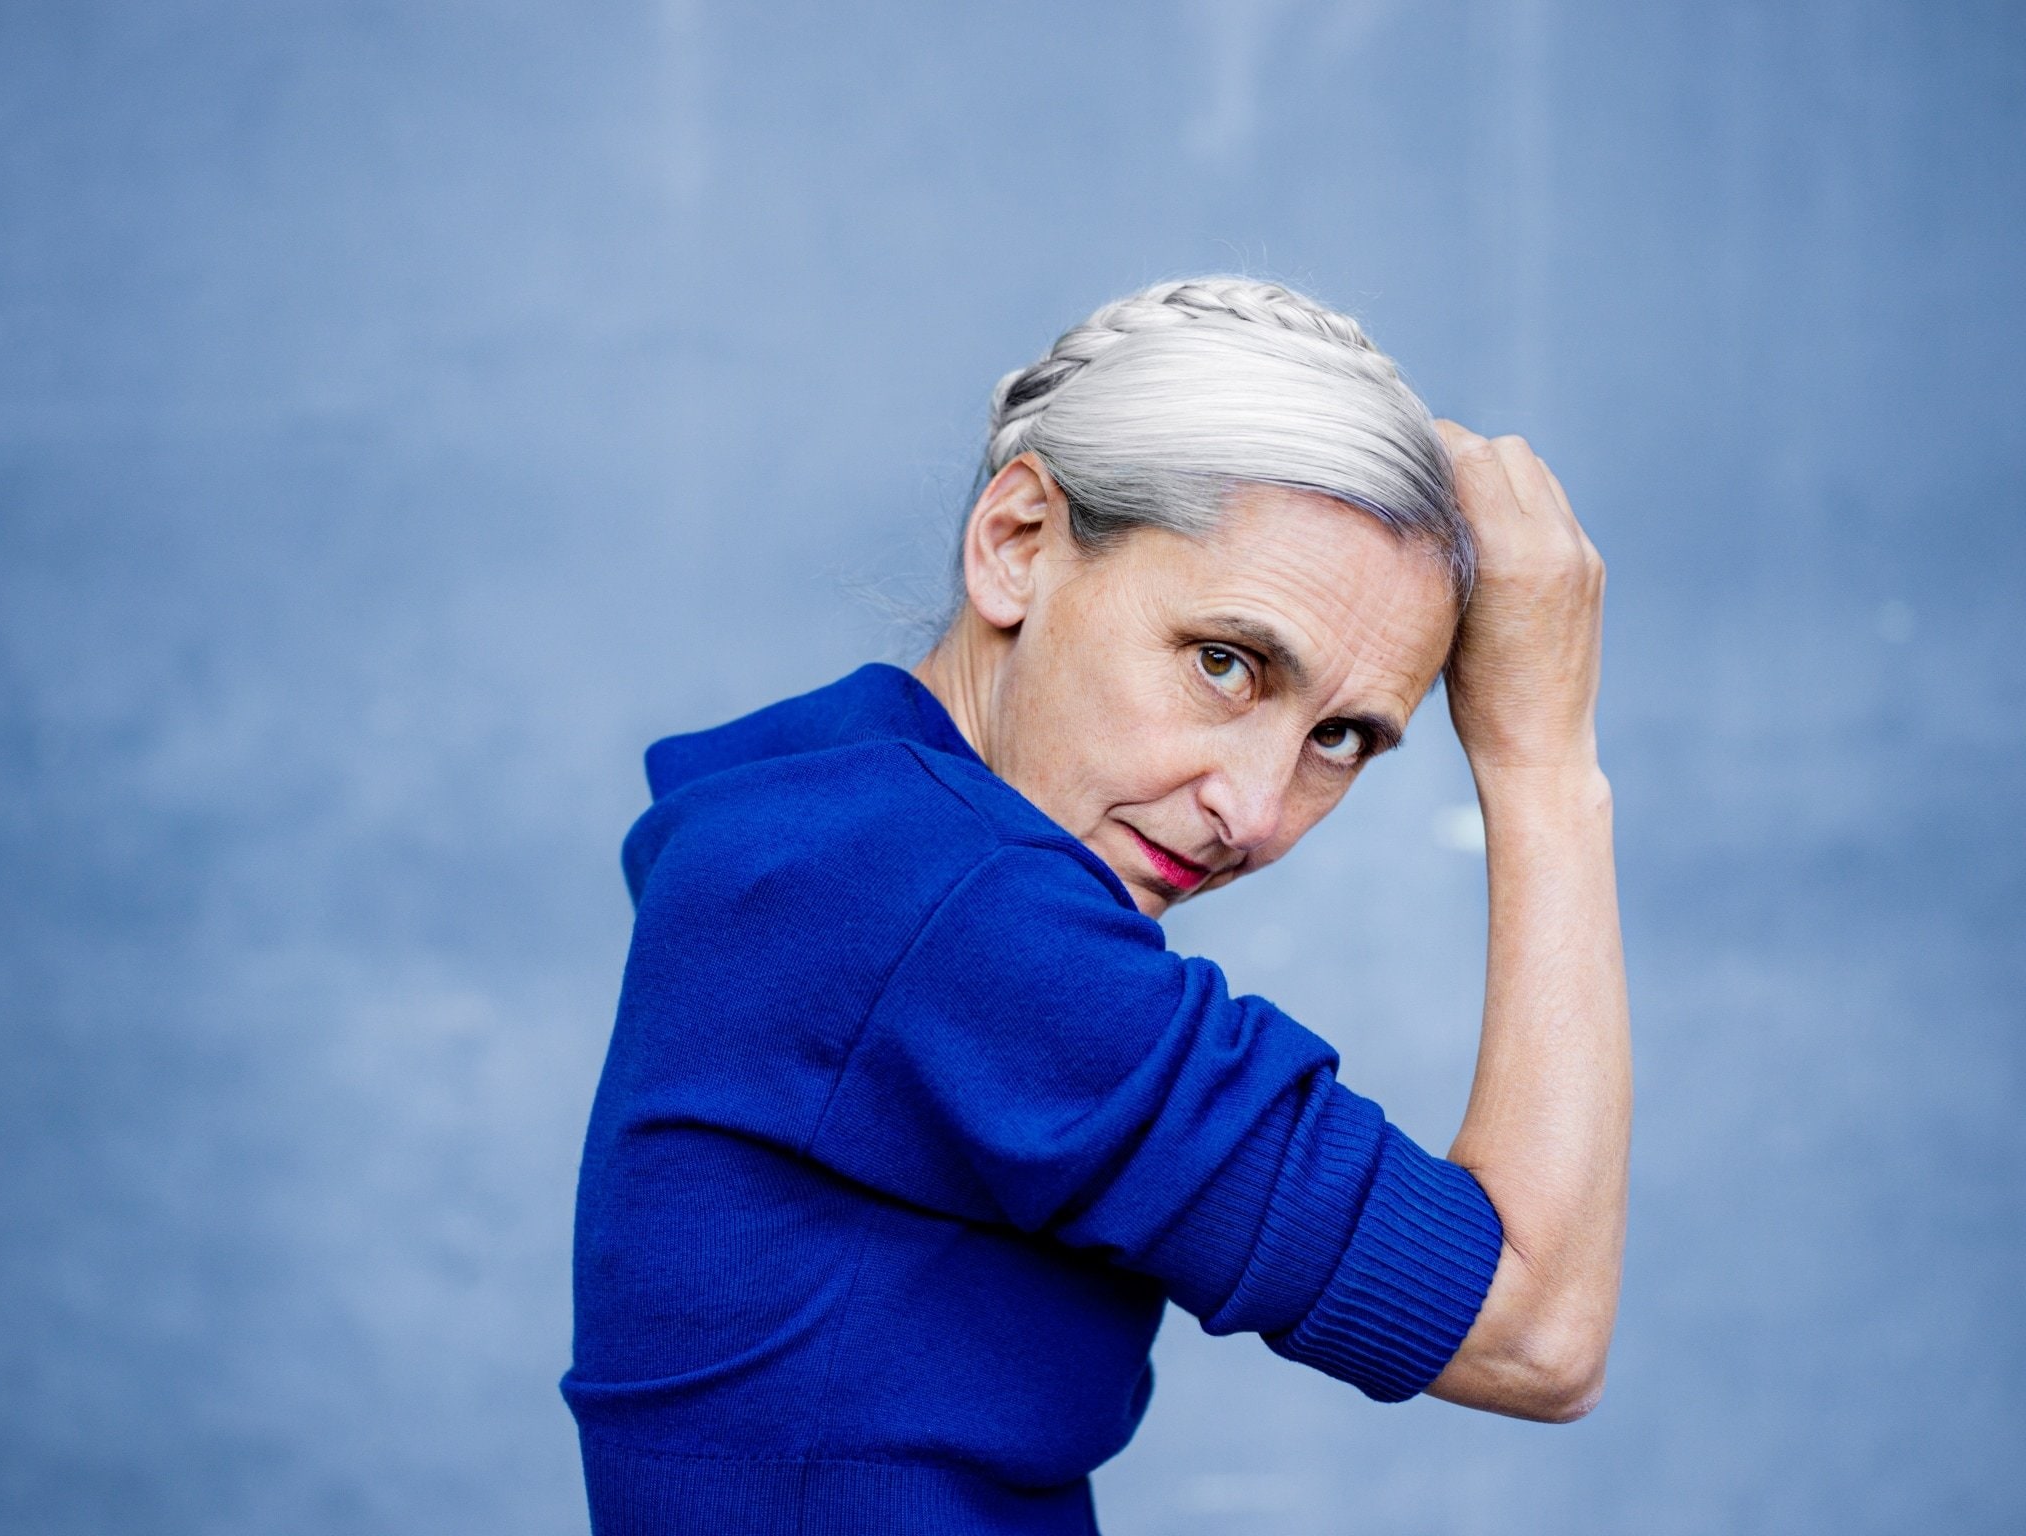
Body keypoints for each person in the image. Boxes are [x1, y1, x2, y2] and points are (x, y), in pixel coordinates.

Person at [561, 277, 1631, 1535]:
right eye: (1223, 662)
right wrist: (1541, 763)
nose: (1254, 810)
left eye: (1340, 738)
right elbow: (1532, 1327)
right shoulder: (948, 913)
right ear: (1016, 542)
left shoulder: (823, 803)